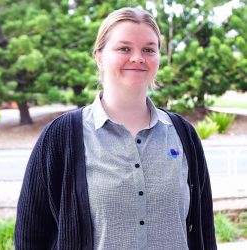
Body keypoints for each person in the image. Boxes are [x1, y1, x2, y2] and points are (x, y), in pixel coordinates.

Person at [15, 7, 217, 250]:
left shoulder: (183, 134)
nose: (138, 58)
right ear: (99, 56)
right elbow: (30, 236)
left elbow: (204, 229)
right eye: (124, 48)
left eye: (148, 49)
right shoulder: (61, 136)